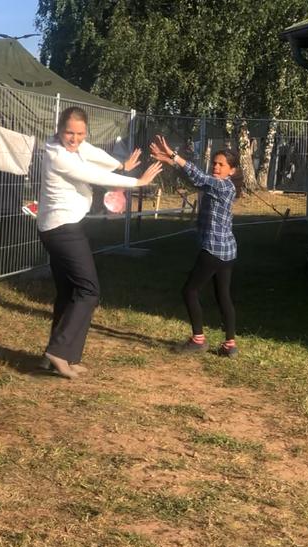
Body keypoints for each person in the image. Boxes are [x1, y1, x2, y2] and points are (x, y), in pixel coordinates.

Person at [37, 107, 162, 379]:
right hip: (63, 229)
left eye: (80, 133)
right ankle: (59, 352)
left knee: (69, 292)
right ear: (59, 129)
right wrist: (135, 181)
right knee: (88, 291)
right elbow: (93, 175)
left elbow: (92, 152)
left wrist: (120, 164)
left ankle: (60, 355)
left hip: (58, 227)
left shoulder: (72, 147)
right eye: (69, 132)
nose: (75, 138)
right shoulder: (59, 156)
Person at [150, 135, 240, 357]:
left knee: (189, 291)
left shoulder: (224, 187)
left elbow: (199, 176)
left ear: (232, 171)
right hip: (227, 251)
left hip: (213, 250)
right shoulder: (219, 185)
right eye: (215, 163)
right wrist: (170, 161)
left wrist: (172, 155)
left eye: (222, 165)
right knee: (223, 296)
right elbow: (196, 180)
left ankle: (198, 340)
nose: (216, 167)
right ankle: (230, 345)